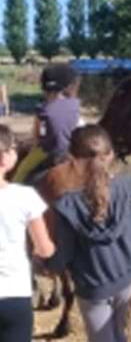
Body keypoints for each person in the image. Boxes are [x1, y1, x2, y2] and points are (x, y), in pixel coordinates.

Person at [43, 124, 131, 342]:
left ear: (72, 158)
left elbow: (61, 259)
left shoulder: (66, 206)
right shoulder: (127, 187)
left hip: (93, 290)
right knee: (119, 333)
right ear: (111, 154)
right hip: (126, 281)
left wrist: (44, 263)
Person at [0, 124, 56, 342]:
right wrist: (47, 251)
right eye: (13, 148)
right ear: (4, 158)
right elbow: (44, 248)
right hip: (14, 293)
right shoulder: (25, 196)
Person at [13, 63, 82, 183]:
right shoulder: (75, 105)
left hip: (49, 152)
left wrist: (28, 144)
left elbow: (36, 138)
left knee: (21, 171)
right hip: (72, 151)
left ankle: (15, 190)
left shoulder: (43, 110)